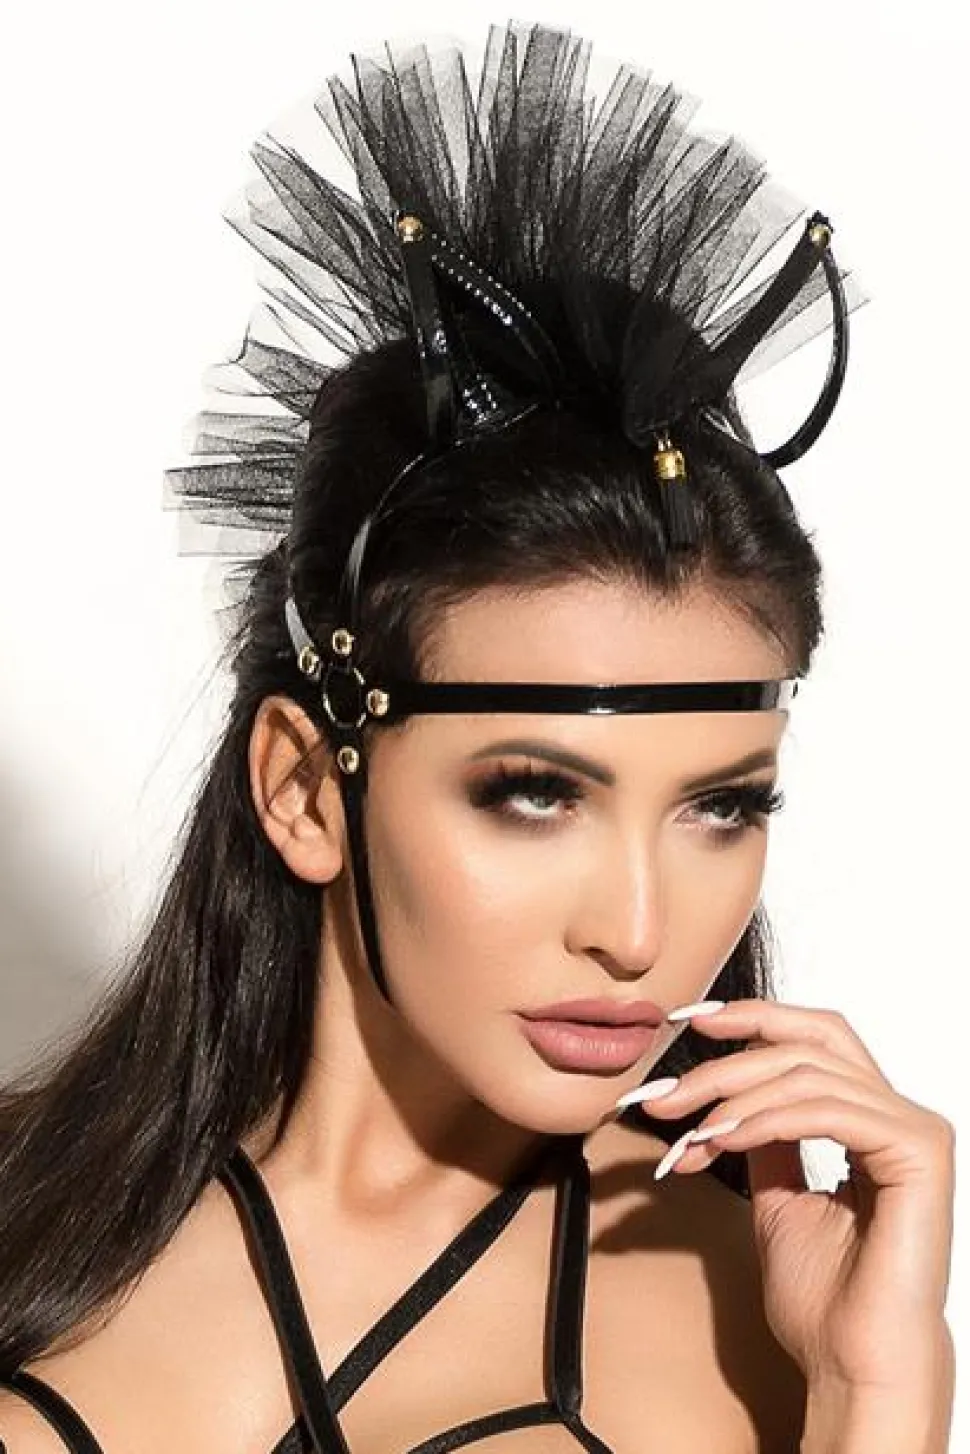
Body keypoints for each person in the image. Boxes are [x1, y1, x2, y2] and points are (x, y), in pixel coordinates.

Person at [0, 20, 956, 1454]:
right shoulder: (28, 1202)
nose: (637, 933)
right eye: (532, 795)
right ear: (303, 787)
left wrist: (875, 1398)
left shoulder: (751, 1312)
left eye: (720, 806)